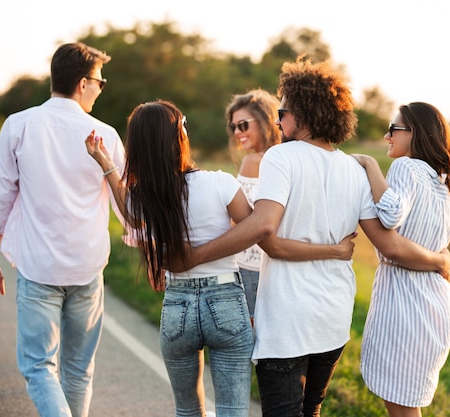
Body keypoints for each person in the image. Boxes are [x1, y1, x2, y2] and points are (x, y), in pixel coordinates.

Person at [170, 56, 450, 417]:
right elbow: (386, 242)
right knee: (312, 411)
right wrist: (437, 258)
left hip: (288, 319)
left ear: (302, 115)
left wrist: (194, 256)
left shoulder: (280, 157)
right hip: (333, 318)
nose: (277, 120)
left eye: (283, 112)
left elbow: (264, 231)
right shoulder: (353, 169)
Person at [84, 99, 355, 417]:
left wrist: (106, 163)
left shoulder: (145, 200)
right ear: (180, 136)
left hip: (178, 306)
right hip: (225, 301)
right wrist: (331, 248)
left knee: (187, 410)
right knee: (232, 411)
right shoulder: (220, 183)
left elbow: (128, 212)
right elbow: (258, 232)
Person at [0, 42, 124, 417]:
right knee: (79, 370)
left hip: (39, 268)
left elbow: (1, 201)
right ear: (82, 83)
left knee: (39, 368)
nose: (100, 87)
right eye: (99, 81)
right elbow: (128, 211)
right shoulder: (105, 134)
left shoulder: (19, 125)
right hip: (88, 269)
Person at [354, 102, 450, 417]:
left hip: (406, 305)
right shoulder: (443, 181)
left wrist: (368, 165)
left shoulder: (407, 167)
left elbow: (390, 215)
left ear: (414, 133)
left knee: (403, 410)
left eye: (393, 129)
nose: (387, 136)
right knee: (407, 407)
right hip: (434, 305)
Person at [225, 88, 281, 321]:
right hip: (276, 266)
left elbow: (240, 219)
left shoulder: (254, 161)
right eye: (234, 127)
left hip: (249, 265)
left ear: (265, 121)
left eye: (243, 125)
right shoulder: (283, 157)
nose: (238, 132)